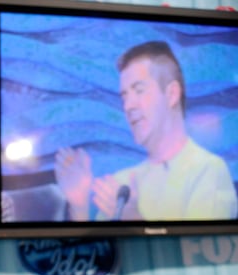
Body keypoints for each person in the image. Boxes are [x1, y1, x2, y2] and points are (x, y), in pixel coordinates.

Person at [55, 41, 237, 221]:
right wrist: (79, 206)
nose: (128, 106)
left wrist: (133, 218)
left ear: (172, 94)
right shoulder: (122, 182)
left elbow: (204, 247)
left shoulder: (209, 171)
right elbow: (99, 249)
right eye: (124, 96)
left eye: (139, 90)